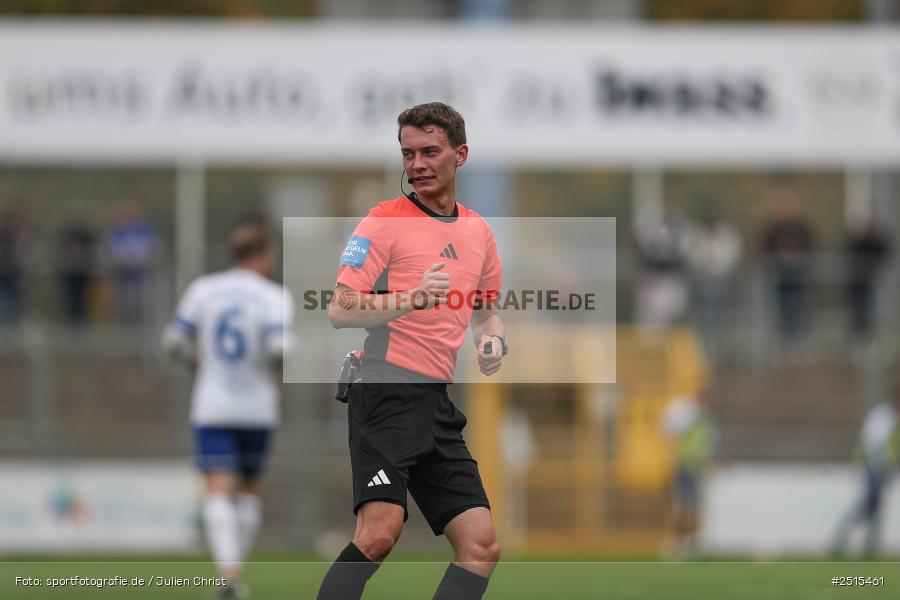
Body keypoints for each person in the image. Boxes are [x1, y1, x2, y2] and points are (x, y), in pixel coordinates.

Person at [317, 102, 506, 600]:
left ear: (460, 155)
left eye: (429, 151)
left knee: (481, 548)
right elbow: (340, 309)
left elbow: (486, 311)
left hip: (435, 401)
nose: (417, 164)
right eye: (408, 154)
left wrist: (491, 340)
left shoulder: (478, 232)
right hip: (383, 389)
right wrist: (411, 298)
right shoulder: (383, 221)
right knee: (379, 534)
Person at [161, 222, 295, 599]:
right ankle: (236, 570)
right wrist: (275, 371)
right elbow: (279, 348)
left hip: (212, 404)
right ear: (264, 255)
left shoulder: (203, 290)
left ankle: (228, 573)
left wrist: (194, 361)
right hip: (257, 406)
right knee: (249, 489)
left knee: (217, 489)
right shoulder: (273, 296)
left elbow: (173, 340)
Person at [831, 376, 900, 558]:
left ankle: (870, 548)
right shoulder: (882, 415)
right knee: (864, 508)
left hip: (881, 470)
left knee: (877, 510)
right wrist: (881, 465)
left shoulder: (892, 417)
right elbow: (874, 443)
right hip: (872, 469)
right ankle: (840, 541)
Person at [661, 390, 716, 558]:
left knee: (693, 505)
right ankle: (679, 540)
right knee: (683, 504)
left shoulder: (704, 419)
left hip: (694, 466)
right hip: (686, 465)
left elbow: (707, 444)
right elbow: (671, 431)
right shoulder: (691, 416)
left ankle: (690, 541)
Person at [760, 190, 815, 342]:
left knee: (798, 309)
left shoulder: (802, 228)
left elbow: (811, 246)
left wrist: (798, 258)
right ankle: (781, 342)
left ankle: (798, 343)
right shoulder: (773, 229)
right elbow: (765, 247)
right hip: (779, 277)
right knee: (779, 310)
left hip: (798, 276)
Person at [845, 217, 890, 339]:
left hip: (873, 284)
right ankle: (858, 336)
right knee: (858, 311)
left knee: (871, 310)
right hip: (858, 283)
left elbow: (885, 254)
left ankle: (870, 336)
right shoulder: (858, 241)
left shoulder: (879, 243)